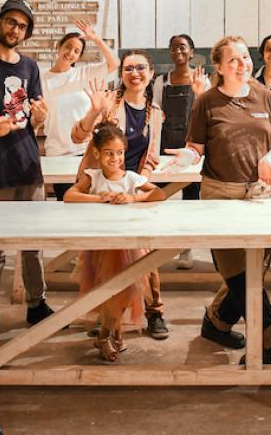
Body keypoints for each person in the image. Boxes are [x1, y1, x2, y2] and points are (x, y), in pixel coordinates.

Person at [163, 35, 271, 364]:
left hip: (260, 195)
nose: (242, 64)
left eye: (245, 58)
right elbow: (197, 149)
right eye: (233, 60)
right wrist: (187, 158)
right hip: (220, 194)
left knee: (255, 268)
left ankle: (216, 323)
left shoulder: (266, 97)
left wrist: (270, 159)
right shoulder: (207, 101)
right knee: (238, 272)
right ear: (219, 67)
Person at [0, 0, 52, 347]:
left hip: (28, 164)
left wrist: (41, 117)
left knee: (33, 244)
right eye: (11, 22)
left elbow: (33, 115)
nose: (15, 29)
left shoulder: (30, 67)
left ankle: (37, 303)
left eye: (22, 26)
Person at [71, 50, 170, 340]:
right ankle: (107, 317)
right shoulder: (108, 104)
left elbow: (151, 158)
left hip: (131, 190)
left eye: (141, 67)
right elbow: (78, 137)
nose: (134, 73)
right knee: (102, 256)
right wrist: (93, 112)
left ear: (151, 73)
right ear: (121, 73)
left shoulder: (155, 114)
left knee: (144, 254)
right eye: (128, 68)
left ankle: (155, 311)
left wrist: (136, 189)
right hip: (99, 187)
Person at [64, 122, 167, 361]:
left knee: (125, 291)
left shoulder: (131, 178)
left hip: (128, 246)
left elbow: (159, 193)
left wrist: (132, 197)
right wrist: (100, 198)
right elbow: (70, 195)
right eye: (109, 153)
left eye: (119, 153)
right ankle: (107, 336)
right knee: (109, 292)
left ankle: (107, 335)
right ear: (98, 153)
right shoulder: (93, 177)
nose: (115, 158)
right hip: (103, 247)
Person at [41, 20, 119, 201]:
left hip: (86, 151)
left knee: (90, 204)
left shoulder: (84, 74)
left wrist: (96, 39)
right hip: (57, 152)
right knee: (65, 201)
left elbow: (114, 63)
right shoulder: (41, 78)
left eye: (76, 51)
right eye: (68, 47)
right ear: (58, 47)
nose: (70, 53)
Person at [151, 33, 209, 269]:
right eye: (174, 47)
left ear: (192, 52)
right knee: (156, 195)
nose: (178, 52)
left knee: (191, 199)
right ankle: (156, 244)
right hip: (167, 144)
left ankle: (186, 248)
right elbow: (155, 112)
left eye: (183, 47)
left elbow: (208, 113)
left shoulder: (202, 79)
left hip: (192, 147)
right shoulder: (161, 81)